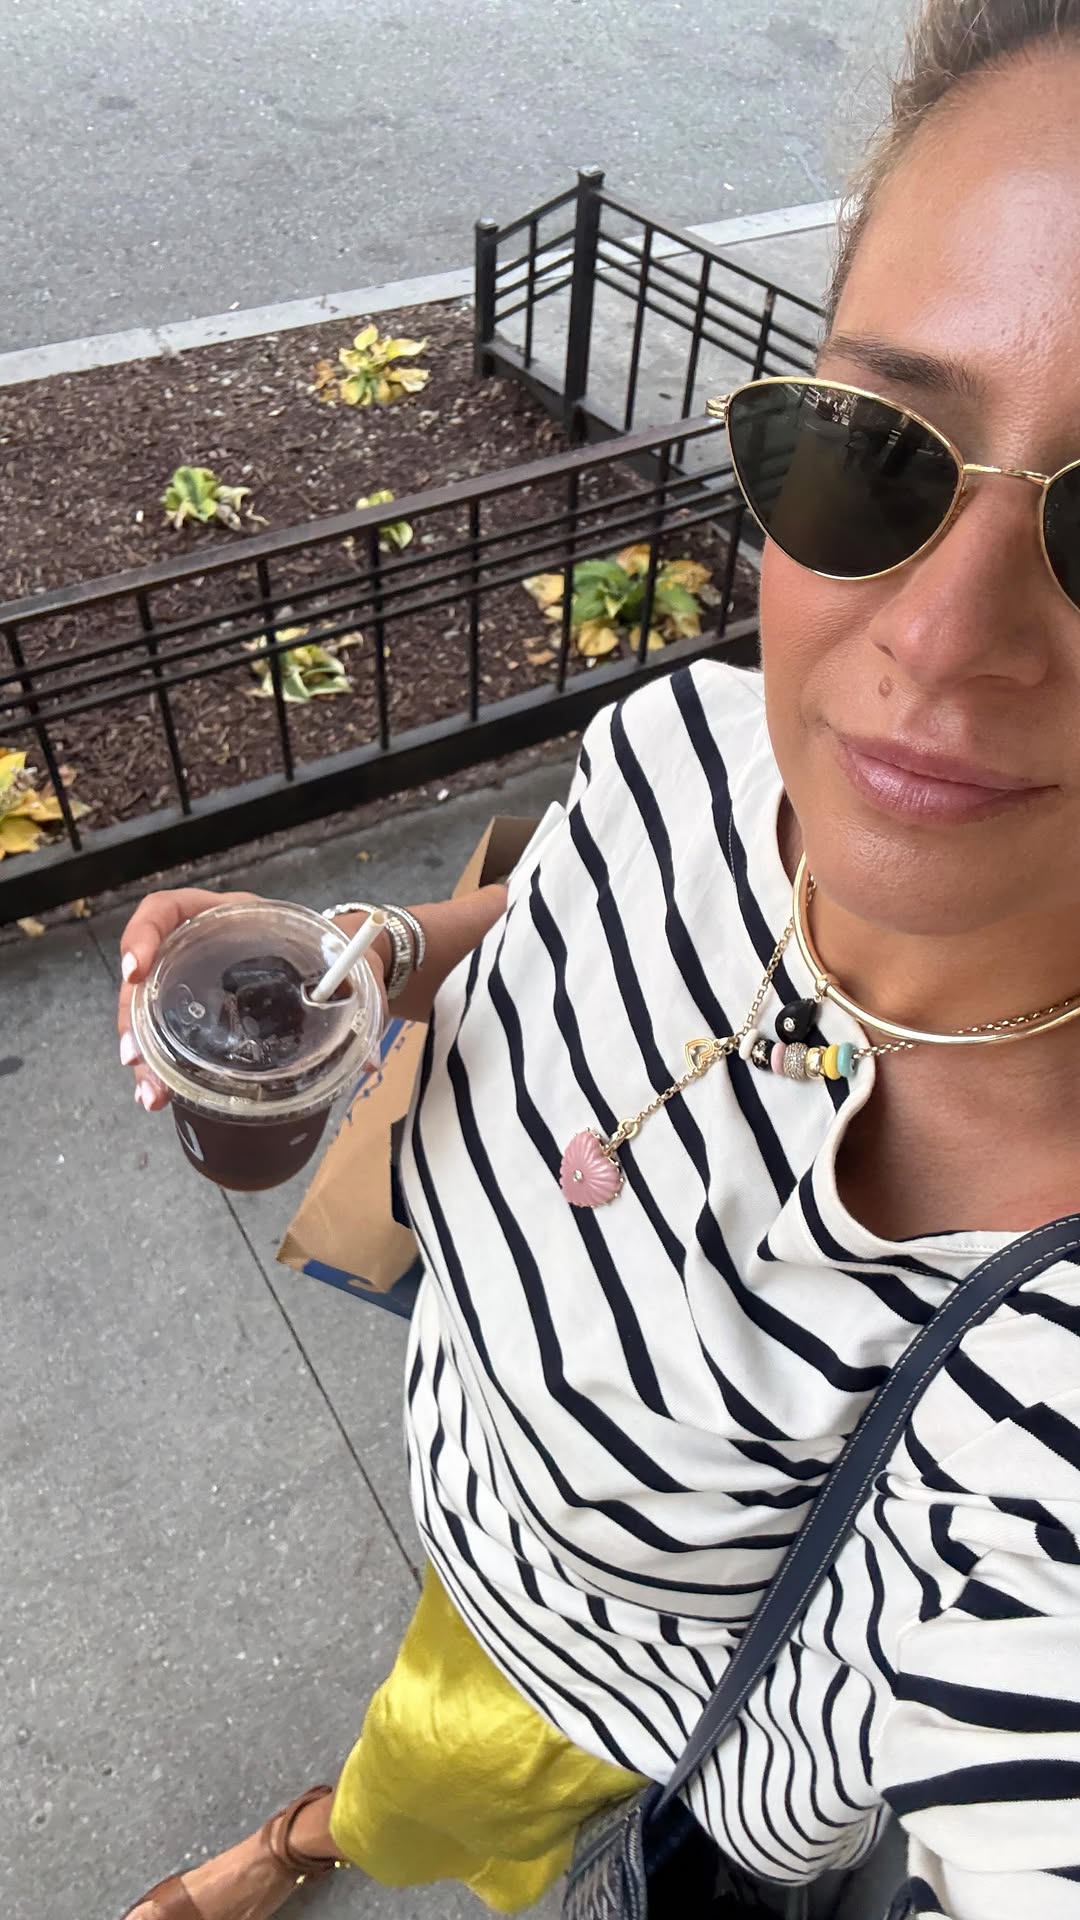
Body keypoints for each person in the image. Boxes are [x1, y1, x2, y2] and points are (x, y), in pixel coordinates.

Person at [119, 3, 1080, 1915]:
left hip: (626, 1716)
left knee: (447, 1794)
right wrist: (379, 950)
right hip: (473, 1496)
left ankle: (326, 1835)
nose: (939, 634)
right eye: (878, 452)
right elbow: (563, 897)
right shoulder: (693, 746)